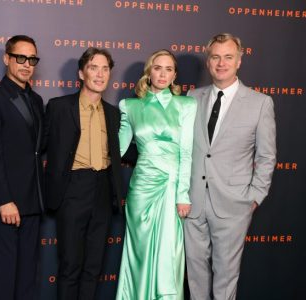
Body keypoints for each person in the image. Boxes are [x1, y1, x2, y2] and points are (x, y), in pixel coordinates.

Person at [185, 33, 276, 300]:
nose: (221, 63)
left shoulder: (260, 103)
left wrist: (255, 196)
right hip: (193, 201)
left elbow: (267, 156)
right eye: (215, 57)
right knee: (195, 272)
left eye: (228, 57)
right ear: (208, 62)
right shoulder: (192, 97)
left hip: (234, 203)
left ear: (239, 61)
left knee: (226, 274)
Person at [116, 49, 196, 300]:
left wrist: (183, 193)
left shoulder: (187, 104)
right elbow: (117, 148)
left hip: (172, 187)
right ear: (149, 72)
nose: (162, 74)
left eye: (169, 69)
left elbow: (187, 151)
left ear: (174, 76)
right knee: (138, 251)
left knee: (168, 254)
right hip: (141, 189)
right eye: (158, 68)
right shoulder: (130, 106)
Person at [43, 47, 123, 300]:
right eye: (93, 67)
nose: (100, 74)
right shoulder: (58, 107)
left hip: (103, 190)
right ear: (81, 73)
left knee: (93, 267)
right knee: (70, 266)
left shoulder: (113, 113)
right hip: (73, 190)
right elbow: (39, 148)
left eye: (105, 69)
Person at [0, 35, 44, 300]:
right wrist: (5, 200)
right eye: (20, 58)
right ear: (7, 59)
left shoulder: (36, 100)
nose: (27, 64)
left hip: (32, 202)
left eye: (32, 59)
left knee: (27, 279)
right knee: (2, 278)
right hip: (6, 205)